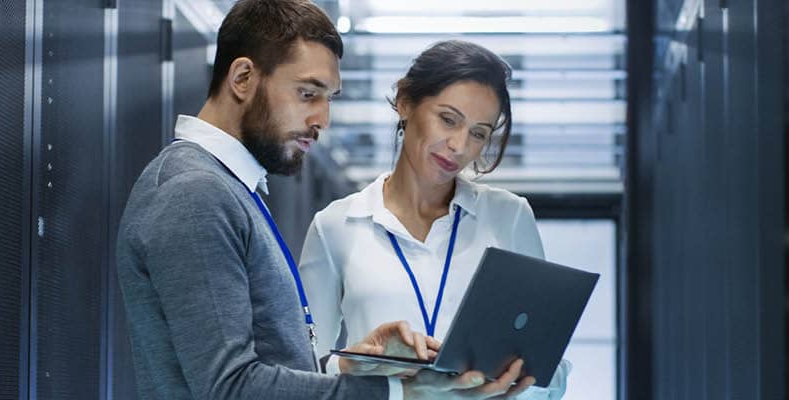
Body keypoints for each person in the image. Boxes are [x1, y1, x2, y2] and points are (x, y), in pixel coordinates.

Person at [116, 1, 533, 399]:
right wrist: (397, 391)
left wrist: (354, 364)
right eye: (307, 93)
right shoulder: (194, 193)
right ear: (242, 78)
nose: (322, 120)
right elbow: (230, 388)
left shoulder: (230, 190)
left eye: (328, 99)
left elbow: (272, 369)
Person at [298, 40, 573, 399]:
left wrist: (518, 385)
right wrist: (355, 366)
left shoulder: (509, 217)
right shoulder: (336, 225)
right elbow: (300, 369)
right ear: (405, 102)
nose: (459, 145)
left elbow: (551, 370)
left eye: (478, 134)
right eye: (448, 119)